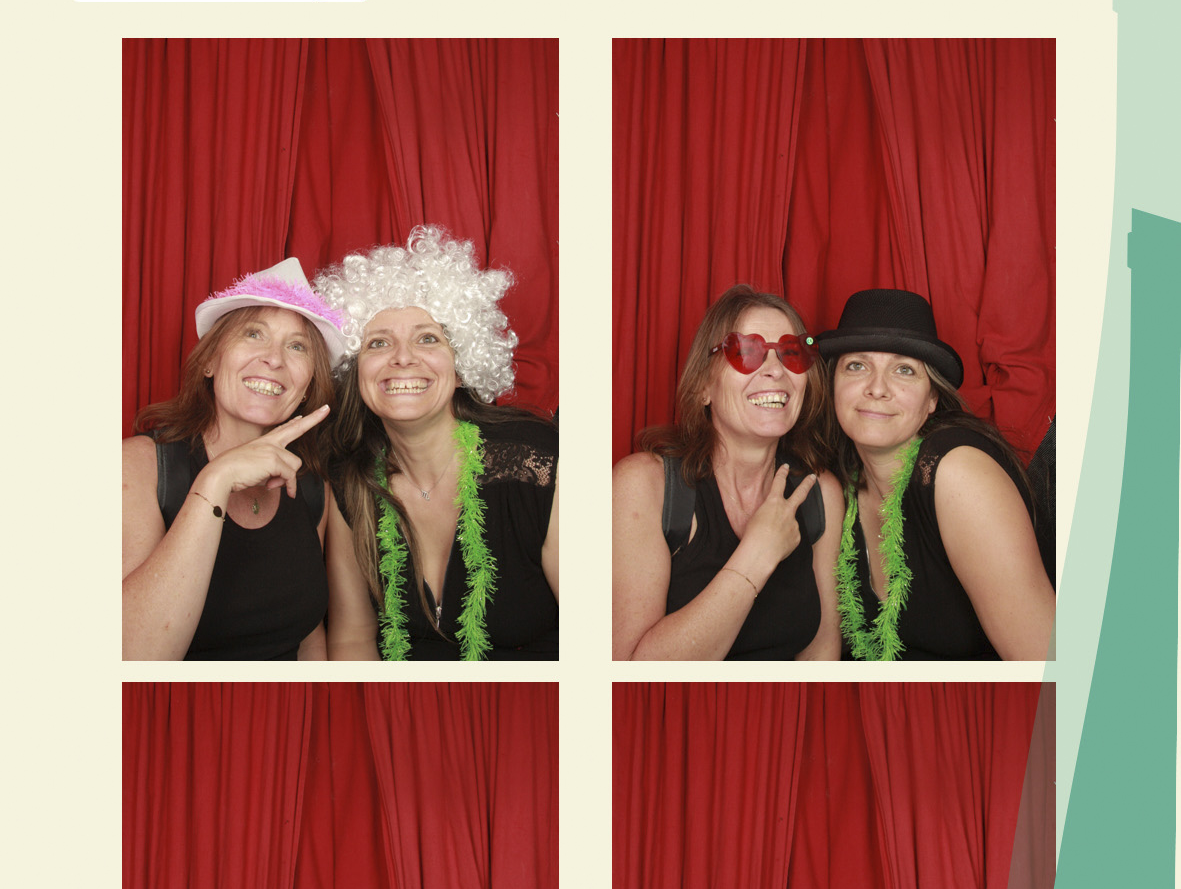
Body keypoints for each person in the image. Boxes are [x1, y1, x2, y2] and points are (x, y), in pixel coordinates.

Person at [314, 227, 559, 661]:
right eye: (378, 342)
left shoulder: (536, 461)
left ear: (462, 367)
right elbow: (352, 638)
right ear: (355, 370)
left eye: (427, 338)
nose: (403, 357)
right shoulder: (350, 478)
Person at [123, 259, 347, 660]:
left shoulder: (312, 483)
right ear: (209, 361)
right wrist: (217, 479)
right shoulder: (137, 468)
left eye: (297, 346)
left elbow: (308, 633)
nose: (274, 359)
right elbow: (133, 658)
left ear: (309, 383)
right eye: (253, 333)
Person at [816, 289, 1054, 661]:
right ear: (833, 385)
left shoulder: (958, 475)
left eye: (904, 370)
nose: (877, 388)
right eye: (857, 366)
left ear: (932, 400)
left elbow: (1050, 666)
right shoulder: (834, 486)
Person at [612, 285, 844, 660]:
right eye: (746, 351)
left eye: (791, 353)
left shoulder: (820, 493)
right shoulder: (643, 486)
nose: (776, 370)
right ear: (703, 386)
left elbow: (821, 652)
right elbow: (628, 673)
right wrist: (757, 554)